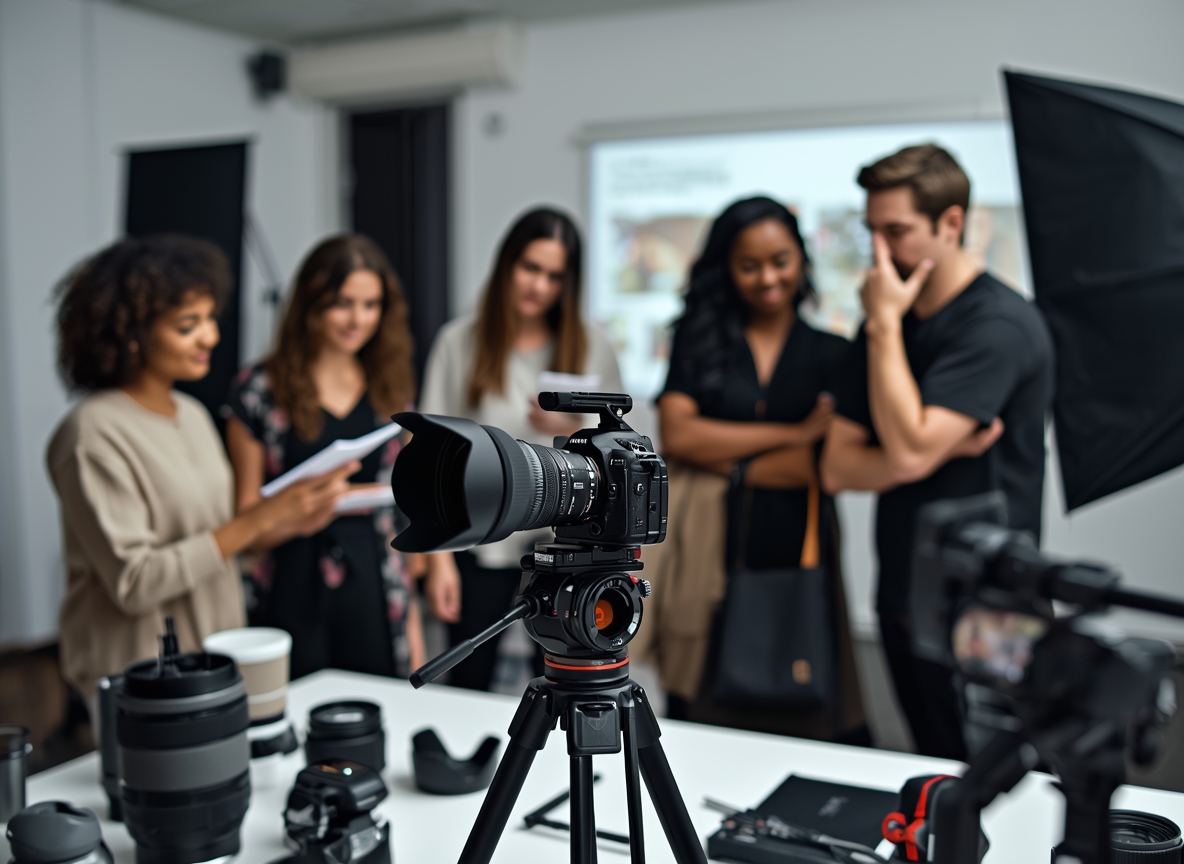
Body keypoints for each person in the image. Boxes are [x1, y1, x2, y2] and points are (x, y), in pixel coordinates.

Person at [48, 235, 356, 704]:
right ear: (133, 333)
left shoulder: (191, 414)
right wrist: (257, 520)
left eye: (210, 319)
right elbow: (134, 583)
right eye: (188, 325)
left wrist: (290, 520)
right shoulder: (92, 434)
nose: (211, 337)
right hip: (142, 682)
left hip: (216, 664)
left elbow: (218, 542)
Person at [820, 144, 1054, 760]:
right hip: (902, 592)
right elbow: (838, 465)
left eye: (895, 232)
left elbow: (907, 450)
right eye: (871, 231)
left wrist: (888, 332)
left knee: (996, 778)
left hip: (991, 606)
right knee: (933, 770)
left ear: (951, 224)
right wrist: (920, 453)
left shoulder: (997, 326)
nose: (879, 254)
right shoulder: (879, 324)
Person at [656, 196, 867, 741]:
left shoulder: (832, 352)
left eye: (780, 260)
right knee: (703, 699)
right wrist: (793, 433)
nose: (767, 278)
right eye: (749, 265)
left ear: (802, 258)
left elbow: (815, 468)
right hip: (707, 538)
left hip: (800, 535)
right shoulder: (700, 341)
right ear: (727, 267)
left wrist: (722, 455)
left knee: (807, 680)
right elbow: (678, 436)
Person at [418, 207, 623, 691]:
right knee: (469, 674)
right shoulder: (459, 341)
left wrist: (567, 425)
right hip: (476, 536)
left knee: (566, 676)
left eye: (554, 275)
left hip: (566, 539)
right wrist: (437, 560)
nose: (539, 286)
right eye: (530, 268)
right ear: (507, 264)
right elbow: (427, 451)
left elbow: (616, 446)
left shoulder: (593, 345)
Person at [225, 234, 424, 680]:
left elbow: (406, 510)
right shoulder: (256, 391)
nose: (358, 319)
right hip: (289, 581)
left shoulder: (390, 388)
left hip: (374, 582)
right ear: (310, 303)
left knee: (376, 710)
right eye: (343, 303)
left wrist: (414, 630)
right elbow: (245, 527)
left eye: (371, 305)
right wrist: (299, 511)